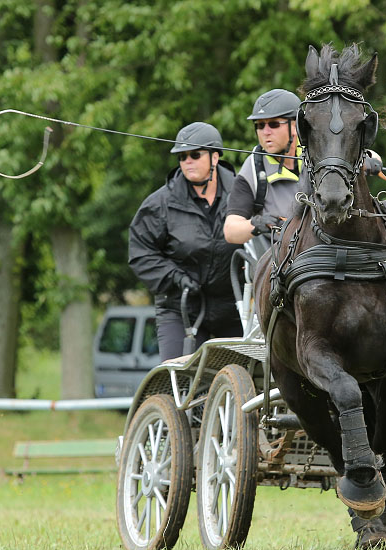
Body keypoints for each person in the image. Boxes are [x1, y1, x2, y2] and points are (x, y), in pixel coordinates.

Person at [128, 122, 241, 361]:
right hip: (181, 308)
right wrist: (175, 277)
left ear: (215, 157)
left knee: (244, 378)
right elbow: (141, 253)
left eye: (194, 154)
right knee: (180, 379)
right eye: (182, 156)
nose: (187, 160)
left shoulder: (243, 194)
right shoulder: (159, 204)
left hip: (233, 309)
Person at [223, 89, 304, 245]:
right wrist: (256, 224)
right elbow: (230, 231)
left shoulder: (319, 153)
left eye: (273, 124)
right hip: (280, 260)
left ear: (295, 126)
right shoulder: (252, 168)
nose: (266, 132)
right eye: (260, 125)